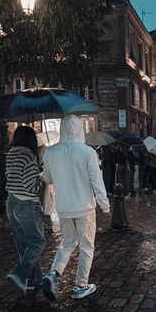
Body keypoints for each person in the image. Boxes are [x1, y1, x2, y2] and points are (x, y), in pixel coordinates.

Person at [41, 115, 111, 301]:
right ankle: (81, 284)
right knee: (87, 246)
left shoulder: (51, 151)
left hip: (63, 206)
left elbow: (47, 179)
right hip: (84, 207)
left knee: (67, 242)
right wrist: (105, 208)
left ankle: (54, 273)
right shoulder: (87, 152)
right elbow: (97, 182)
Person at [4, 126, 45, 296]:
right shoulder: (28, 156)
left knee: (24, 245)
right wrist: (42, 176)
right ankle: (19, 274)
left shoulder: (11, 153)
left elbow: (9, 177)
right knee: (37, 243)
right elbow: (32, 186)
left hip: (12, 202)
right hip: (27, 204)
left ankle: (33, 280)